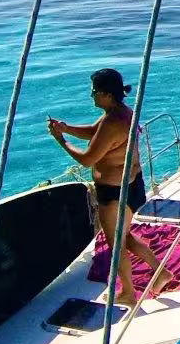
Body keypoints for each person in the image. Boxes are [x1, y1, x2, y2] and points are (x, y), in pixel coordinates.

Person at [47, 68, 169, 306]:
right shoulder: (119, 113)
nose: (91, 96)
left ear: (106, 94)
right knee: (124, 238)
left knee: (117, 245)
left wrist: (61, 140)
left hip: (115, 194)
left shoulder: (113, 121)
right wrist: (66, 127)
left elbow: (87, 159)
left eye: (94, 92)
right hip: (130, 187)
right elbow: (95, 132)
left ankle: (128, 294)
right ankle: (161, 273)